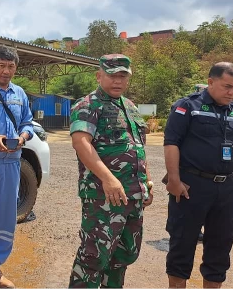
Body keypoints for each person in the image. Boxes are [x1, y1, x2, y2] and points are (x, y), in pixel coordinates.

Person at [67, 54, 154, 289]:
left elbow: (136, 147)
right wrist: (108, 179)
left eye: (123, 76)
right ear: (99, 76)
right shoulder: (88, 105)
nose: (118, 81)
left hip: (132, 195)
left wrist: (146, 182)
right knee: (93, 257)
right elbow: (81, 143)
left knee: (124, 255)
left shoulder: (131, 107)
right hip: (103, 196)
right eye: (112, 75)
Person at [163, 62, 233, 289]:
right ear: (211, 82)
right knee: (182, 245)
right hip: (191, 185)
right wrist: (174, 179)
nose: (232, 92)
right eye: (227, 86)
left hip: (224, 189)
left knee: (220, 247)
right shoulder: (187, 107)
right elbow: (171, 142)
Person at [0, 46, 34, 289]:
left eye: (11, 66)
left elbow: (28, 122)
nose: (6, 70)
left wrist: (22, 138)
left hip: (12, 163)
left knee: (5, 219)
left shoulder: (19, 93)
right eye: (1, 65)